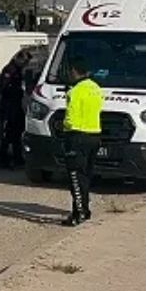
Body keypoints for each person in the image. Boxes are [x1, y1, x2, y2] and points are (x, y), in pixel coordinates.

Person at [61, 57, 103, 227]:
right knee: (85, 176)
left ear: (74, 72)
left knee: (75, 178)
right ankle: (84, 209)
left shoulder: (75, 91)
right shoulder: (96, 88)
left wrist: (64, 130)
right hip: (94, 135)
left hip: (77, 136)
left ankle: (79, 213)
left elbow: (70, 117)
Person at [0, 49, 32, 168]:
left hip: (16, 105)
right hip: (9, 106)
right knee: (8, 134)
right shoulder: (9, 70)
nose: (25, 64)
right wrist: (18, 89)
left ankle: (18, 158)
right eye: (24, 61)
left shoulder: (18, 70)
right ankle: (3, 159)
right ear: (19, 58)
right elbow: (4, 89)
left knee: (18, 132)